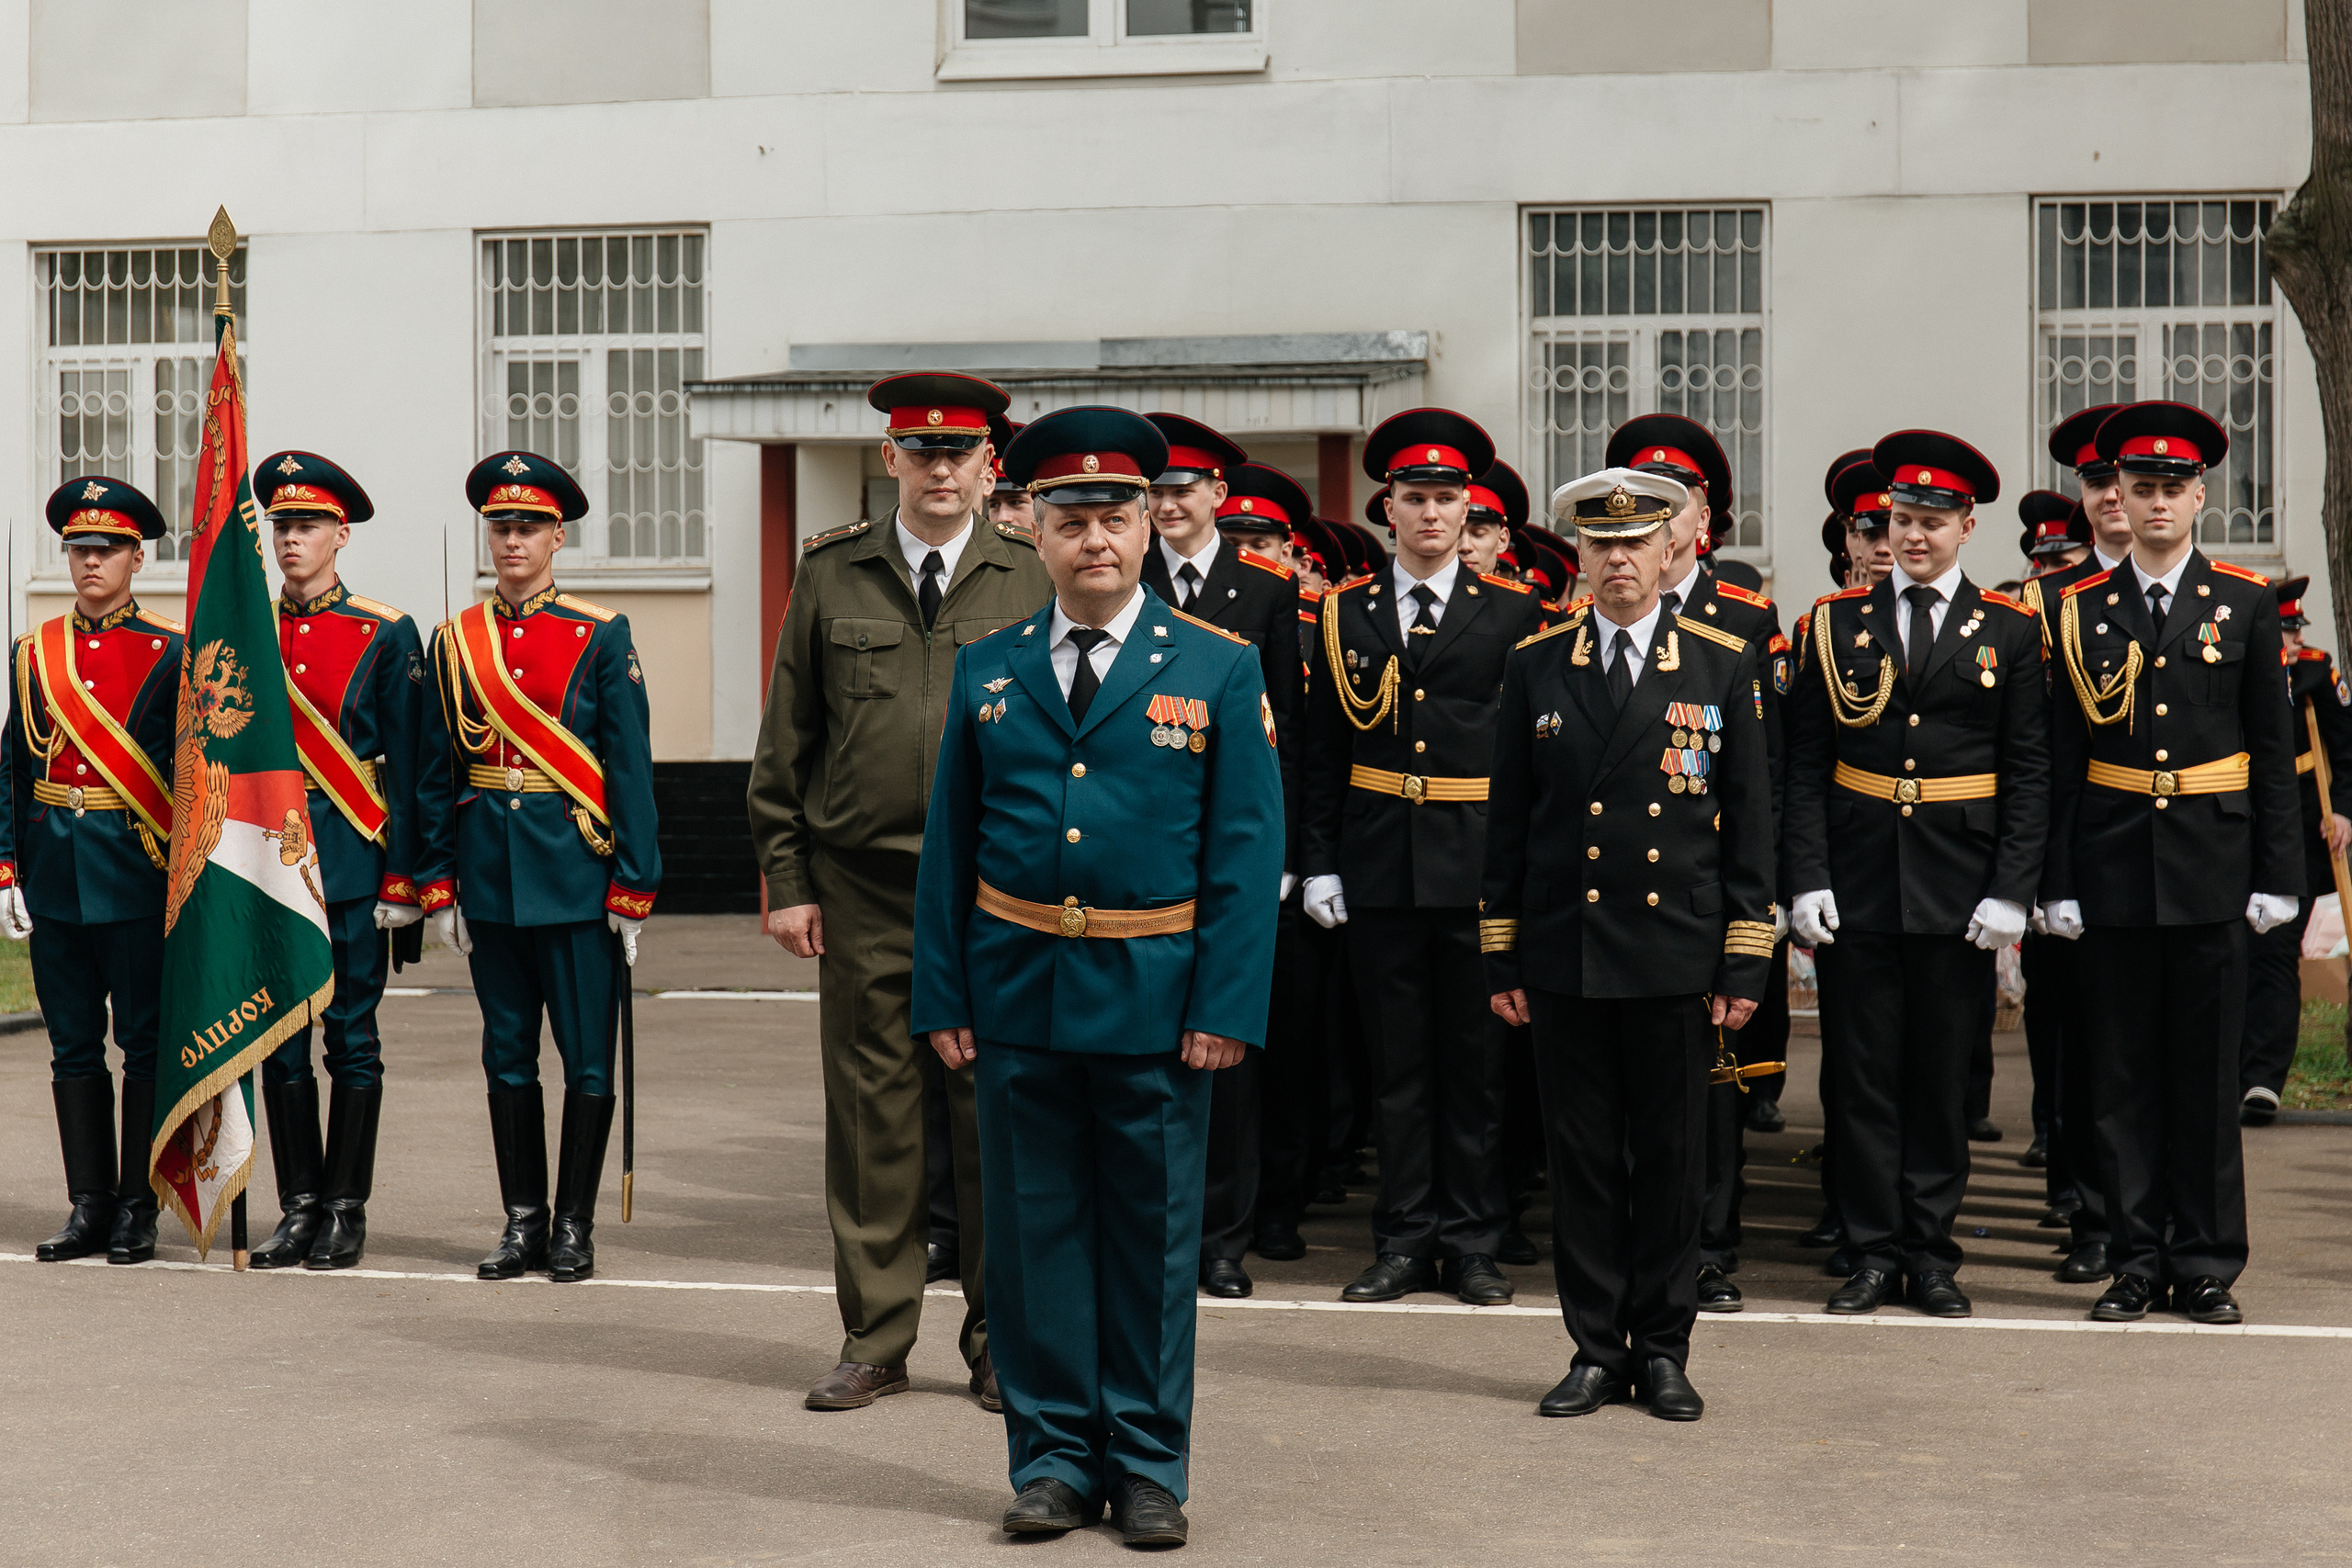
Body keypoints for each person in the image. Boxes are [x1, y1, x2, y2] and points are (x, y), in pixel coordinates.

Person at [912, 405, 1282, 1547]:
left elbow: (1243, 852)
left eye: (1116, 516)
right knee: (1032, 1245)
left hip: (1159, 1004)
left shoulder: (1219, 668)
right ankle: (1054, 1462)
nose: (1097, 541)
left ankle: (1149, 1464)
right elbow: (950, 850)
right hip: (1018, 997)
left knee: (1154, 1244)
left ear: (1146, 525)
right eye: (1072, 519)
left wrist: (1225, 1005)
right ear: (1032, 529)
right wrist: (945, 996)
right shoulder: (989, 668)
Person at [746, 373, 1046, 1409]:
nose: (940, 469)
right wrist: (787, 878)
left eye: (959, 453)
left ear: (987, 465)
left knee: (993, 1117)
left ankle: (1002, 1341)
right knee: (874, 1118)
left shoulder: (1028, 575)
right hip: (864, 885)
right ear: (890, 462)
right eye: (920, 452)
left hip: (995, 894)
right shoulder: (833, 573)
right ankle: (875, 1336)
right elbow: (789, 737)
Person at [1483, 466, 1773, 1421]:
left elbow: (1749, 826)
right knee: (1581, 1162)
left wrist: (1743, 958)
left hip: (1673, 950)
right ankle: (1593, 1349)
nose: (1617, 560)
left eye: (1635, 543)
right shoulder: (1536, 664)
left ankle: (1662, 1349)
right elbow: (1510, 827)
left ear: (1674, 548)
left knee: (1669, 1158)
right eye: (1599, 545)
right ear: (1579, 555)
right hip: (1568, 949)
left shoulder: (1720, 661)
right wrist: (1501, 953)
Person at [2040, 400, 2301, 1325]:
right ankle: (2134, 1259)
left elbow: (2271, 751)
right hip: (2110, 868)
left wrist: (2280, 875)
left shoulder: (2244, 601)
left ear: (2200, 497)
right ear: (2116, 495)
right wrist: (2056, 881)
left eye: (2170, 489)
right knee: (2118, 1081)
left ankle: (2203, 1261)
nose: (2153, 503)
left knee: (2203, 1079)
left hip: (2213, 868)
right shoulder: (2077, 608)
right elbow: (2062, 756)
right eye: (2136, 488)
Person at [1786, 430, 2050, 1319]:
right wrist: (1806, 878)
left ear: (1966, 526)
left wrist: (2012, 889)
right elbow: (1803, 765)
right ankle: (1868, 1252)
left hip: (1958, 887)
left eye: (1931, 521)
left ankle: (1930, 1254)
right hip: (1858, 881)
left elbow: (2028, 770)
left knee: (1941, 1082)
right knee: (1860, 1081)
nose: (1912, 536)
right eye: (1900, 519)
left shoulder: (2009, 630)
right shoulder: (1832, 623)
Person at [1301, 408, 1546, 1307]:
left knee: (1477, 1070)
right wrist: (1319, 859)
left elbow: (1527, 763)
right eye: (1416, 497)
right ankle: (1404, 1241)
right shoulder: (1342, 610)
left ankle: (1473, 1242)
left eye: (1449, 498)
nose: (1434, 513)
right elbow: (1323, 749)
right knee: (1397, 1069)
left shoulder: (1517, 612)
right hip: (1379, 866)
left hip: (1477, 869)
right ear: (1386, 509)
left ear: (1467, 507)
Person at [416, 451, 661, 1287]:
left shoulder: (599, 634)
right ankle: (523, 1220)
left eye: (527, 526)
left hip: (577, 878)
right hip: (490, 879)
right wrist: (438, 882)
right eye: (500, 526)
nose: (511, 540)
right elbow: (438, 773)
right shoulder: (455, 641)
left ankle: (575, 1225)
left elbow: (628, 766)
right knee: (507, 1055)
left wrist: (635, 884)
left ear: (558, 535)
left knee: (588, 1059)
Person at [1607, 414, 1789, 1312]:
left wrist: (1762, 912)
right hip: (1611, 891)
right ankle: (1627, 1252)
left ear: (1698, 515)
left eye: (1668, 504)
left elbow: (1767, 781)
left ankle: (1710, 1249)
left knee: (1714, 1086)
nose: (1653, 519)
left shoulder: (1747, 619)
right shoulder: (1588, 617)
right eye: (1637, 502)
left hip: (1704, 886)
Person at [244, 452, 428, 1270]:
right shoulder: (243, 630)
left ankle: (346, 1207)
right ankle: (297, 1205)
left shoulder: (384, 634)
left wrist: (408, 878)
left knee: (351, 1037)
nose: (291, 538)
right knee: (281, 1043)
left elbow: (417, 766)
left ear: (340, 535)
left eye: (307, 525)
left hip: (352, 865)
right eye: (280, 524)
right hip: (265, 868)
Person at [0, 478, 184, 1265]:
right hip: (55, 873)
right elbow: (11, 765)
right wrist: (6, 867)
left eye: (106, 548)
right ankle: (89, 1203)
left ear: (138, 557)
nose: (90, 561)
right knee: (72, 1046)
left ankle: (138, 1207)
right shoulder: (33, 652)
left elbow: (193, 777)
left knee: (141, 1045)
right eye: (79, 548)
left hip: (135, 874)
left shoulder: (175, 651)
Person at [1154, 453, 1309, 1292]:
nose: (1170, 504)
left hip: (1235, 841)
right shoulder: (1124, 572)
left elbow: (1284, 726)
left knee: (1227, 1057)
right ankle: (1157, 1228)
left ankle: (1222, 1238)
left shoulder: (1266, 588)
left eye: (1185, 489)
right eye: (1158, 491)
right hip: (1150, 846)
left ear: (1219, 495)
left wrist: (1282, 859)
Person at [2018, 407, 2133, 1283]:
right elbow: (2037, 757)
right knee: (2083, 1052)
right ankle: (2094, 1218)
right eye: (2095, 484)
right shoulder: (2043, 606)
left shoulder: (2212, 595)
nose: (2111, 499)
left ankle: (2161, 1216)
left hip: (2176, 859)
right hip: (2076, 861)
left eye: (2121, 483)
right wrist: (2043, 877)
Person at [2242, 576, 2352, 1124]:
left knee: (2276, 953)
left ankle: (2263, 1079)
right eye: (2280, 630)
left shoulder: (2313, 672)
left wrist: (2345, 812)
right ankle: (2229, 1072)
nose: (2290, 641)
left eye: (2293, 630)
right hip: (2236, 824)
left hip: (2299, 828)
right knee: (2231, 952)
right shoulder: (2234, 665)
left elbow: (2347, 748)